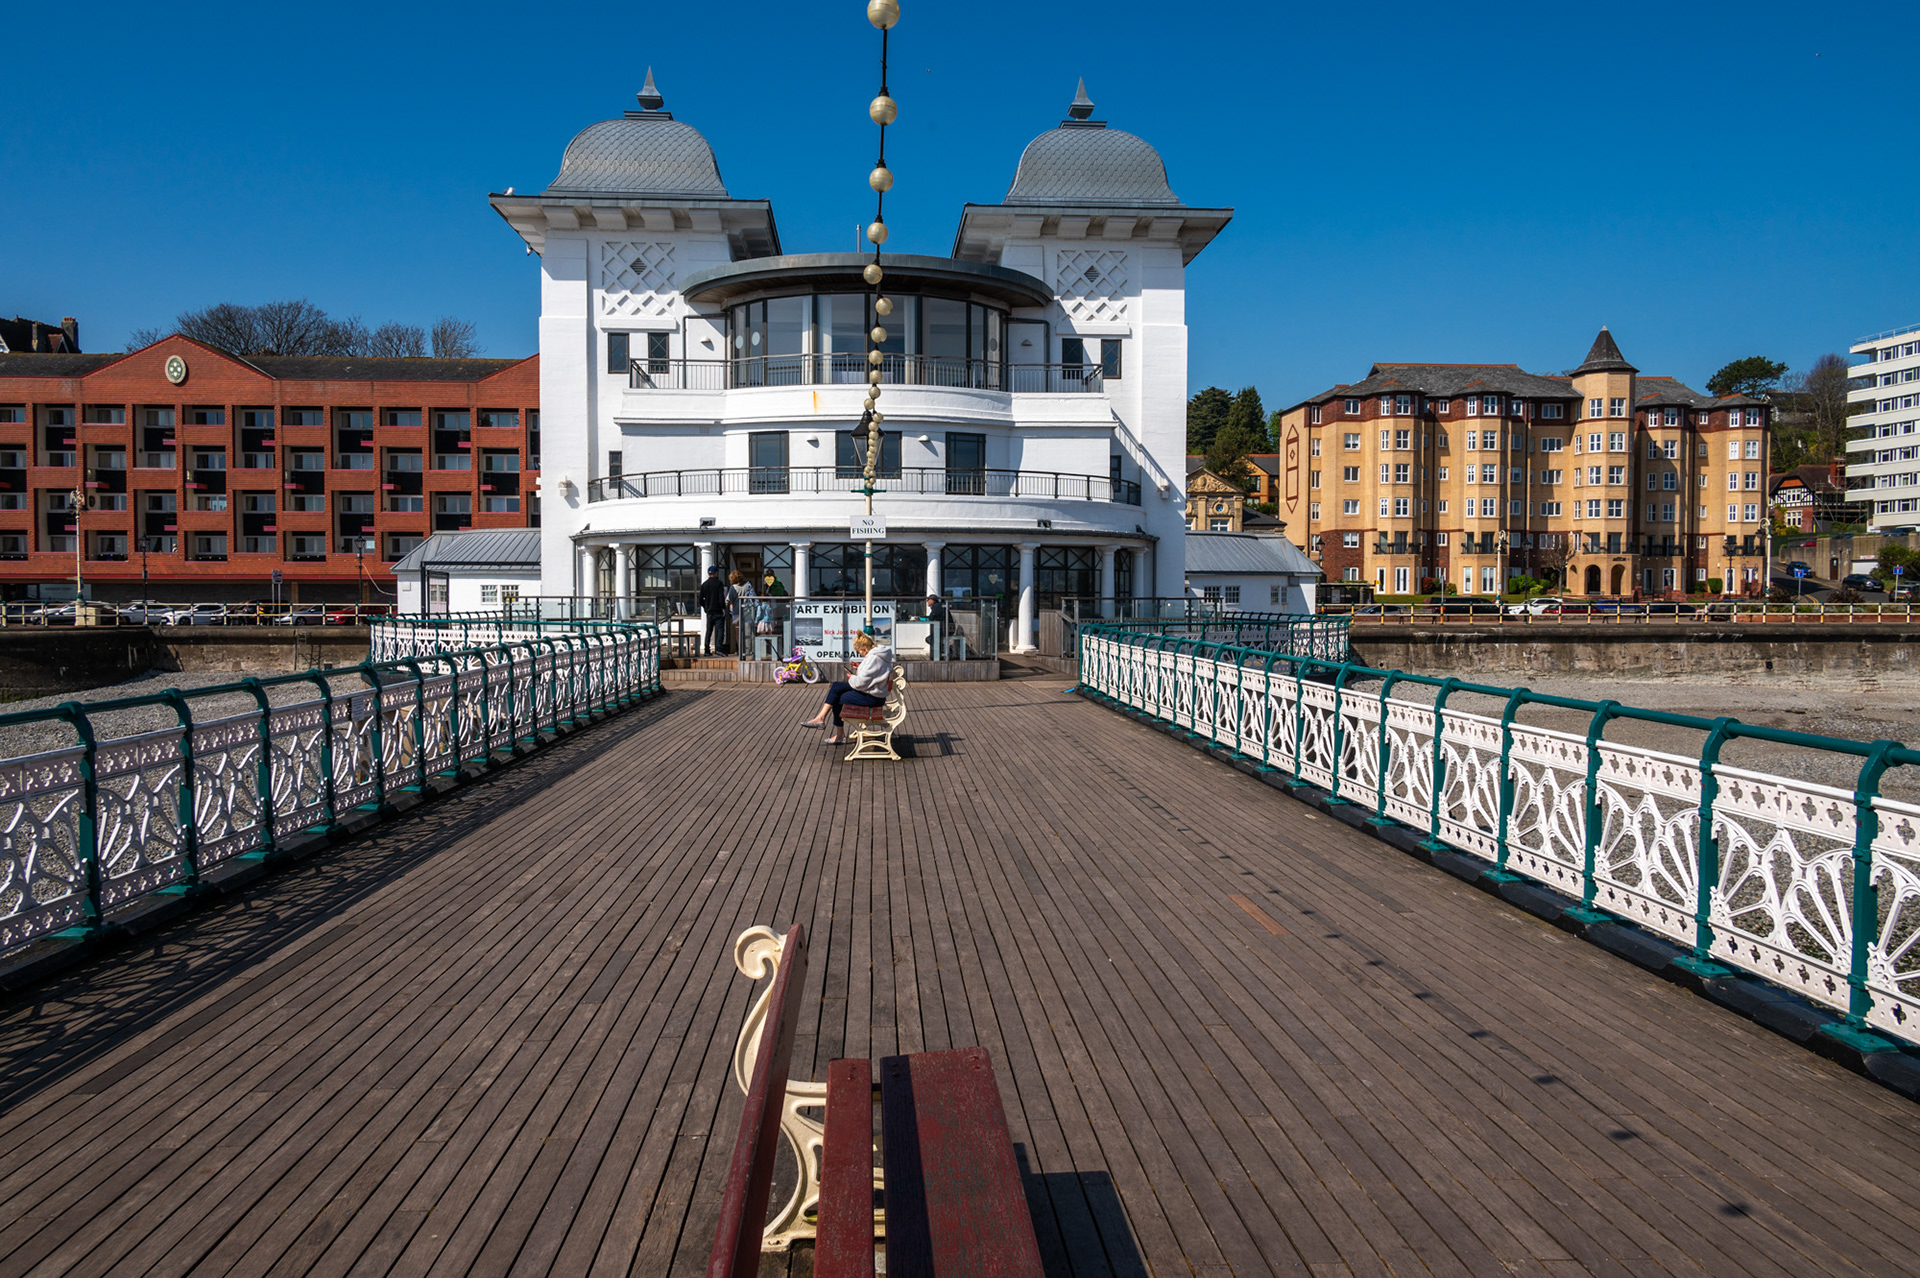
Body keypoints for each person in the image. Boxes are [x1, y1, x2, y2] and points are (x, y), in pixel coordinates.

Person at [801, 630, 893, 744]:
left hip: (873, 697)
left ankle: (832, 728)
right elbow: (873, 675)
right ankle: (822, 719)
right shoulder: (879, 656)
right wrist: (859, 667)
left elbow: (861, 683)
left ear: (863, 648)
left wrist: (851, 677)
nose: (859, 654)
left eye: (858, 651)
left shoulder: (873, 658)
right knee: (836, 687)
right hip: (875, 693)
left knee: (837, 697)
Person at [697, 564, 729, 655]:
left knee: (709, 630)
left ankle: (707, 649)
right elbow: (720, 597)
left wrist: (706, 607)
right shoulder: (719, 583)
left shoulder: (704, 584)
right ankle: (719, 648)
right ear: (715, 573)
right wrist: (723, 608)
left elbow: (700, 599)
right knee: (720, 631)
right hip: (718, 611)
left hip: (709, 611)